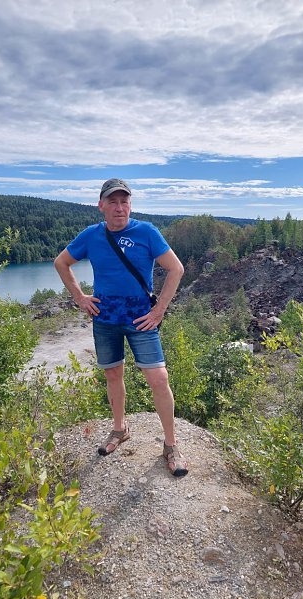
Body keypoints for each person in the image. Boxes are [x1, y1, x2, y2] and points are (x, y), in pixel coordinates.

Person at [54, 178, 188, 477]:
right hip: (105, 318)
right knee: (113, 374)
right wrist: (80, 298)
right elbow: (61, 263)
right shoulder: (91, 235)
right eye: (112, 202)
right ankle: (119, 429)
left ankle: (171, 445)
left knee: (159, 378)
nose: (119, 207)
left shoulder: (146, 232)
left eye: (124, 201)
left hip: (141, 317)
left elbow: (176, 268)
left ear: (130, 205)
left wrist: (159, 310)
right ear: (101, 206)